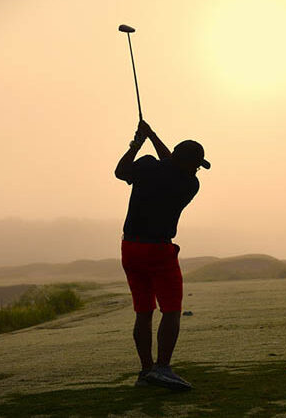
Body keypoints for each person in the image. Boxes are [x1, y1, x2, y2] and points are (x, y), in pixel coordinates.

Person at [115, 119, 210, 390]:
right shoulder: (189, 184)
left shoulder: (147, 166)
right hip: (159, 251)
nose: (197, 170)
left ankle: (146, 372)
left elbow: (121, 172)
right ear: (189, 165)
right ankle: (163, 368)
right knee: (171, 311)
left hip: (131, 248)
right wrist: (153, 136)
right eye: (196, 164)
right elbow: (172, 164)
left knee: (143, 312)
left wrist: (138, 142)